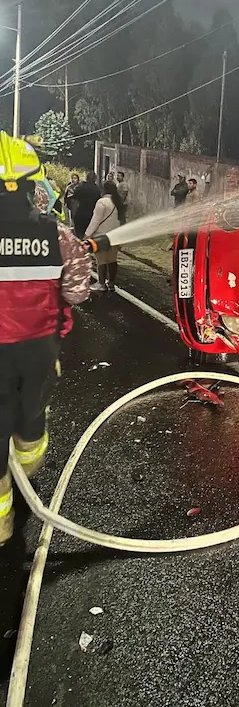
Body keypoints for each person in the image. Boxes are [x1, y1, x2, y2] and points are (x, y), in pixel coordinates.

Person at [0, 132, 91, 546]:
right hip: (39, 351)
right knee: (31, 423)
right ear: (33, 185)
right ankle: (25, 466)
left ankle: (1, 523)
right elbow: (77, 293)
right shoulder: (58, 236)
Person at [86, 180, 123, 292]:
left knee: (101, 260)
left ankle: (101, 283)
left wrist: (87, 235)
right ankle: (111, 284)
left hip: (101, 236)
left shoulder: (102, 202)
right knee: (112, 260)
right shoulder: (118, 202)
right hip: (115, 236)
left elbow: (95, 221)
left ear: (104, 189)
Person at [72, 172, 101, 240]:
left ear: (86, 178)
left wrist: (73, 214)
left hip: (80, 214)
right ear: (95, 179)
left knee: (79, 236)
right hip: (91, 215)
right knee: (89, 236)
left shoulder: (81, 187)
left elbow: (74, 199)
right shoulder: (97, 189)